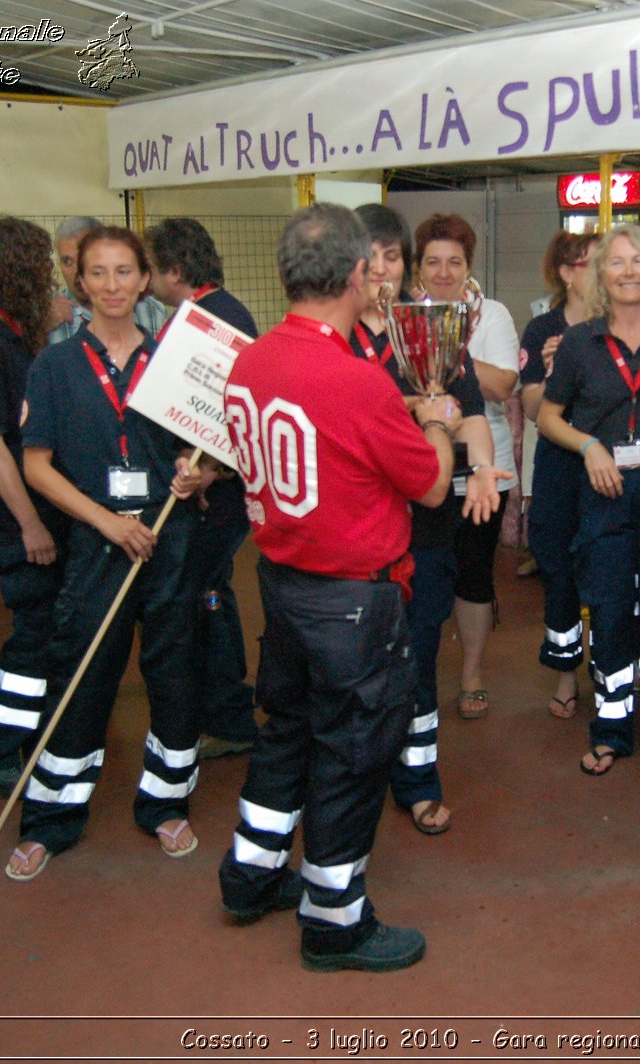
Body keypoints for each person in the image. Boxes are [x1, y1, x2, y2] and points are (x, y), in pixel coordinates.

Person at [216, 203, 459, 973]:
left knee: (284, 731)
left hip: (282, 582)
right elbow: (429, 489)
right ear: (358, 275)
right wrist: (441, 424)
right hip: (354, 600)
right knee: (354, 756)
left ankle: (251, 873)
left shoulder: (251, 361)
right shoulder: (356, 381)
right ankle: (334, 918)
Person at [5, 226, 209, 882]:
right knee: (82, 674)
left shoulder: (176, 361)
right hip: (99, 543)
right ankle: (50, 818)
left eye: (126, 272)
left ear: (145, 279)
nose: (114, 286)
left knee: (175, 670)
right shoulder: (55, 366)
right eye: (100, 273)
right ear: (80, 282)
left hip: (170, 539)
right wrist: (108, 523)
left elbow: (206, 454)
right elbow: (36, 466)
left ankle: (166, 802)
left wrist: (196, 477)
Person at [351, 202, 502, 836]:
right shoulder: (330, 340)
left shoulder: (429, 330)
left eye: (392, 258)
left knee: (414, 657)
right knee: (352, 663)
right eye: (369, 259)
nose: (381, 271)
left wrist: (487, 466)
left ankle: (416, 780)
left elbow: (467, 412)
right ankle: (354, 778)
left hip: (426, 528)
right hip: (355, 531)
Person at [536, 223, 640, 778]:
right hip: (602, 497)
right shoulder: (581, 343)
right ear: (598, 274)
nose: (628, 271)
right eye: (616, 262)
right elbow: (547, 415)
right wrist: (589, 448)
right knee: (607, 613)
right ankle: (609, 732)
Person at [0, 218, 68, 798]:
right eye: (43, 266)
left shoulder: (13, 336)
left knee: (49, 633)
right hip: (18, 523)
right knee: (33, 637)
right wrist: (30, 524)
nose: (52, 277)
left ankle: (36, 742)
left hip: (41, 514)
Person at [144, 217, 261, 762]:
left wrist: (212, 468)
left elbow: (234, 410)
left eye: (145, 267)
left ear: (173, 268)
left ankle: (229, 713)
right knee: (206, 594)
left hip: (219, 493)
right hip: (204, 488)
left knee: (208, 596)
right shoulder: (204, 312)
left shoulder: (218, 319)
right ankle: (219, 705)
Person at [413, 214, 520, 721]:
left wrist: (449, 344)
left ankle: (472, 674)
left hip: (482, 466)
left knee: (474, 575)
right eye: (433, 261)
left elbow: (501, 387)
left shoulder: (491, 315)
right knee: (422, 574)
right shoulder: (402, 318)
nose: (443, 271)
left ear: (468, 269)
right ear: (418, 268)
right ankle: (417, 679)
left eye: (454, 262)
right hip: (420, 468)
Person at [519, 230, 598, 719]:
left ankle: (613, 672)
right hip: (558, 467)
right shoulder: (542, 329)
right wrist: (553, 373)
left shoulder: (618, 325)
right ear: (568, 273)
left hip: (608, 465)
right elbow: (530, 406)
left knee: (609, 569)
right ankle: (567, 674)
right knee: (559, 569)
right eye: (594, 264)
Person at [46, 216, 168, 346]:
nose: (77, 270)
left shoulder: (153, 311)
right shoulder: (48, 317)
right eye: (67, 262)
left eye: (123, 271)